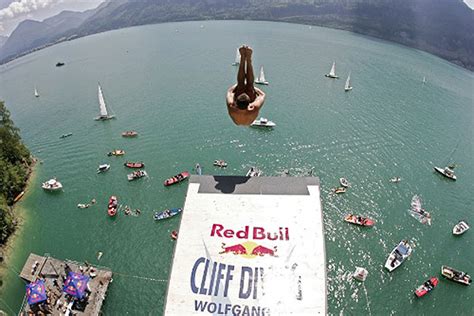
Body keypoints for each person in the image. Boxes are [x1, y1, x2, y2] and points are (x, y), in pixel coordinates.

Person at [226, 45, 266, 125]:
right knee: (248, 86)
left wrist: (239, 85)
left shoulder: (232, 107)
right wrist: (253, 88)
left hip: (237, 120)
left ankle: (245, 58)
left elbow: (230, 92)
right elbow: (262, 95)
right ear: (249, 105)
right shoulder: (254, 108)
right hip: (249, 117)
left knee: (243, 86)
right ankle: (246, 58)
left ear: (235, 103)